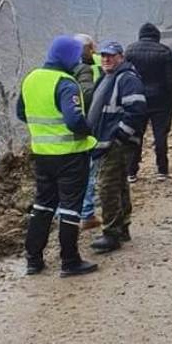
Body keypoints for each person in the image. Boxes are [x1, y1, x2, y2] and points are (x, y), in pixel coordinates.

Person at [17, 35, 98, 277]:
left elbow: (21, 112)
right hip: (71, 155)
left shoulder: (31, 79)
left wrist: (43, 130)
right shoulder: (66, 82)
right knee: (71, 209)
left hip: (42, 155)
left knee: (42, 206)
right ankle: (70, 261)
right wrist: (89, 128)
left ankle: (33, 259)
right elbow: (74, 121)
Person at [87, 41, 146, 253]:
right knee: (119, 184)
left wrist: (119, 137)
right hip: (106, 142)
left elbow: (137, 110)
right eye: (103, 55)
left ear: (121, 57)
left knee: (107, 186)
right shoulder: (107, 78)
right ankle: (122, 227)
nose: (106, 59)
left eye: (111, 56)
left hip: (115, 144)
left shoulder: (127, 79)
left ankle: (111, 233)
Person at [125, 23, 172, 182]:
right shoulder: (164, 51)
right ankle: (162, 170)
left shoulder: (130, 50)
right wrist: (171, 101)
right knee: (160, 136)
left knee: (135, 135)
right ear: (157, 36)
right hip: (160, 100)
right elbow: (171, 81)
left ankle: (131, 172)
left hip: (137, 99)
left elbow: (126, 76)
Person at [73, 34, 103, 231]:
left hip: (64, 133)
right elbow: (90, 96)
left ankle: (69, 212)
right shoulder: (94, 66)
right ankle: (86, 213)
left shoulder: (63, 68)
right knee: (90, 172)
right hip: (89, 127)